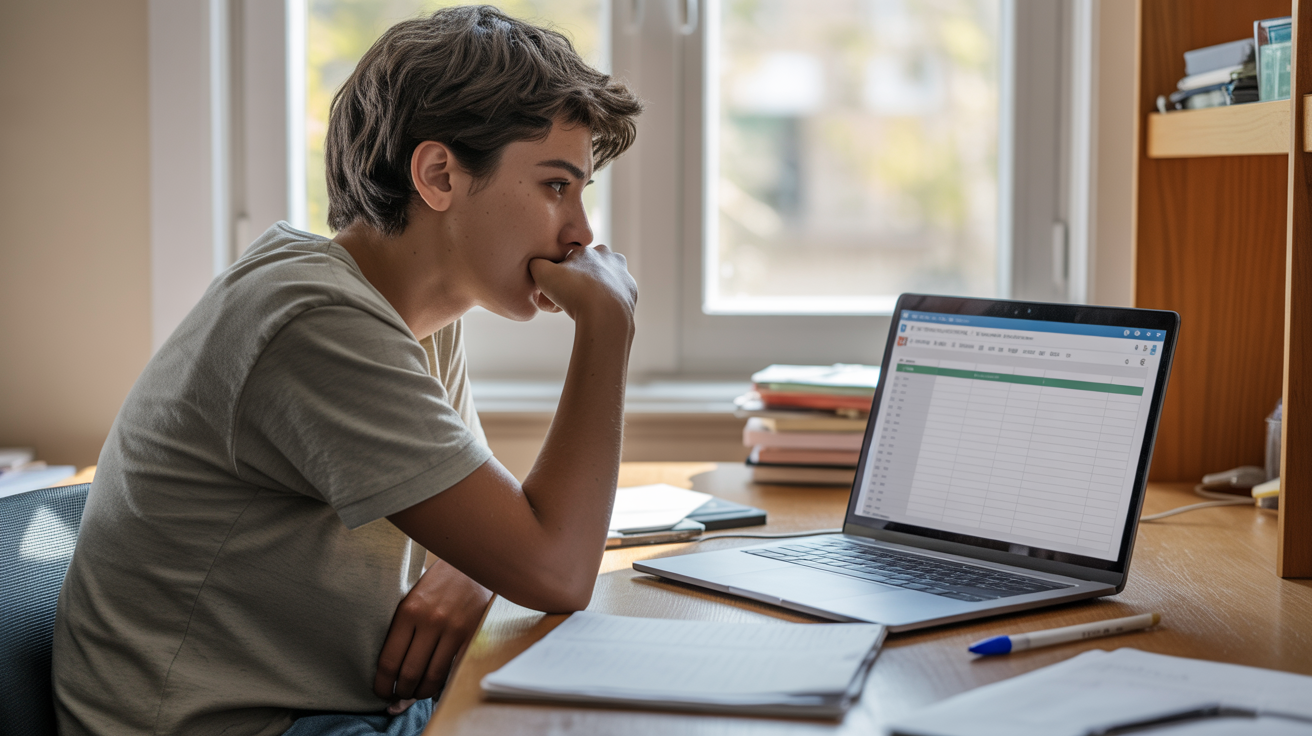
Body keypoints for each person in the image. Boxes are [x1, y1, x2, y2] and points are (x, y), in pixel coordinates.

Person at [51, 6, 643, 735]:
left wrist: (478, 571)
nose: (582, 231)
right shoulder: (313, 321)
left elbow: (506, 538)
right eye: (558, 185)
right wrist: (608, 327)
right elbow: (554, 567)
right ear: (437, 175)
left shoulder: (411, 311)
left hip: (332, 709)